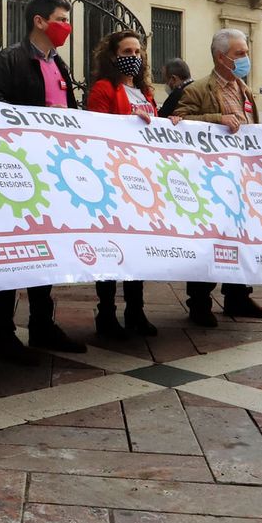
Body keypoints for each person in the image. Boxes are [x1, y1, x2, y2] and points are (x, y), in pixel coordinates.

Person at [0, 0, 89, 363]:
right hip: (15, 175)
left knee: (45, 250)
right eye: (61, 19)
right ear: (39, 22)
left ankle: (42, 323)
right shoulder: (7, 60)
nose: (66, 27)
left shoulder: (60, 66)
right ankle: (2, 333)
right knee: (10, 254)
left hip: (51, 174)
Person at [174, 28, 262, 327]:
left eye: (246, 52)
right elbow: (179, 121)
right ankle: (200, 302)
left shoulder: (243, 89)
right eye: (240, 54)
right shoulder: (197, 89)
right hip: (211, 180)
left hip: (242, 179)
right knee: (210, 240)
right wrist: (217, 119)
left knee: (241, 238)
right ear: (221, 57)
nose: (246, 59)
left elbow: (252, 130)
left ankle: (238, 296)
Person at [87, 29, 182, 339]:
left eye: (138, 52)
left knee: (138, 248)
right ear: (113, 57)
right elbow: (96, 129)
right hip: (114, 180)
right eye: (127, 52)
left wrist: (169, 124)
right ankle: (106, 313)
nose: (134, 58)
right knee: (113, 248)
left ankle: (136, 309)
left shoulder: (147, 93)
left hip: (143, 181)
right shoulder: (103, 89)